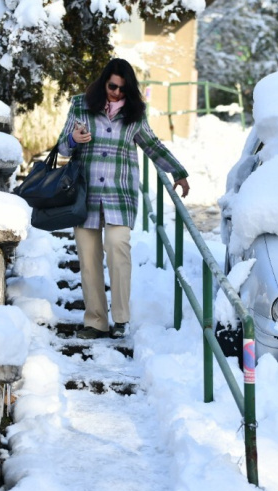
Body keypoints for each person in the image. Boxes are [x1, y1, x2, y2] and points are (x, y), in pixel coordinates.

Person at [57, 58, 190, 339]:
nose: (116, 93)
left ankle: (120, 319)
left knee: (118, 249)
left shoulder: (134, 113)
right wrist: (73, 139)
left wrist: (177, 172)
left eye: (123, 89)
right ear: (104, 81)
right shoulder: (81, 104)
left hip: (120, 195)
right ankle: (95, 321)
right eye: (112, 86)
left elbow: (152, 145)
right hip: (85, 195)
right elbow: (62, 147)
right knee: (88, 259)